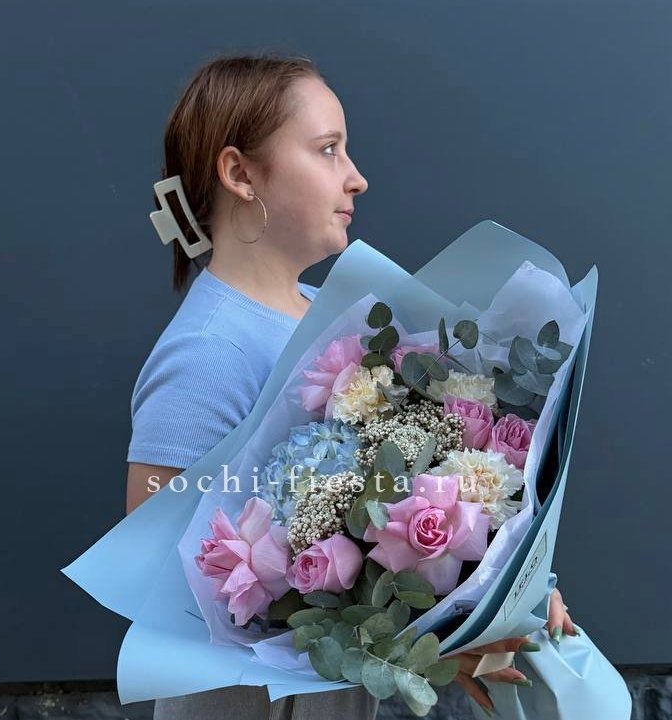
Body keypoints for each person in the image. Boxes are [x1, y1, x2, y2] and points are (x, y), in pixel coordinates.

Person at [125, 52, 576, 720]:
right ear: (240, 174)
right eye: (327, 149)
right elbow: (164, 582)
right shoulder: (207, 353)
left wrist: (499, 585)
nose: (356, 177)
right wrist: (414, 637)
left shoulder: (324, 316)